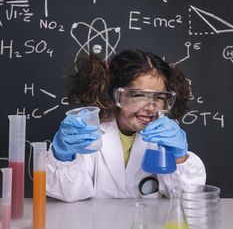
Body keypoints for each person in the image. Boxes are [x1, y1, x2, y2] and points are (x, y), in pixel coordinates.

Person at [46, 49, 206, 202]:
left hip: (147, 227)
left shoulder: (165, 138)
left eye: (158, 97)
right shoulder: (90, 134)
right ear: (116, 96)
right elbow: (68, 193)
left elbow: (188, 195)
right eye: (138, 95)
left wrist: (180, 158)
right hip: (96, 227)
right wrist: (62, 156)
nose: (150, 107)